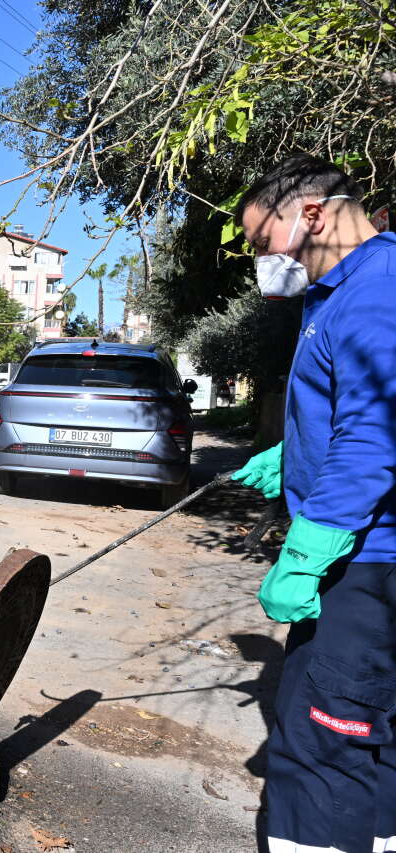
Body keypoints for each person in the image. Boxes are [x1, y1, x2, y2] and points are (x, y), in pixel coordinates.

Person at [232, 154, 396, 853]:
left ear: (311, 215)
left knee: (321, 750)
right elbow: (347, 408)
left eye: (259, 239)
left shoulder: (377, 291)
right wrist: (292, 454)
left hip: (364, 568)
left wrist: (306, 550)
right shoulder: (341, 288)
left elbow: (374, 434)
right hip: (361, 563)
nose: (260, 258)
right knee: (369, 747)